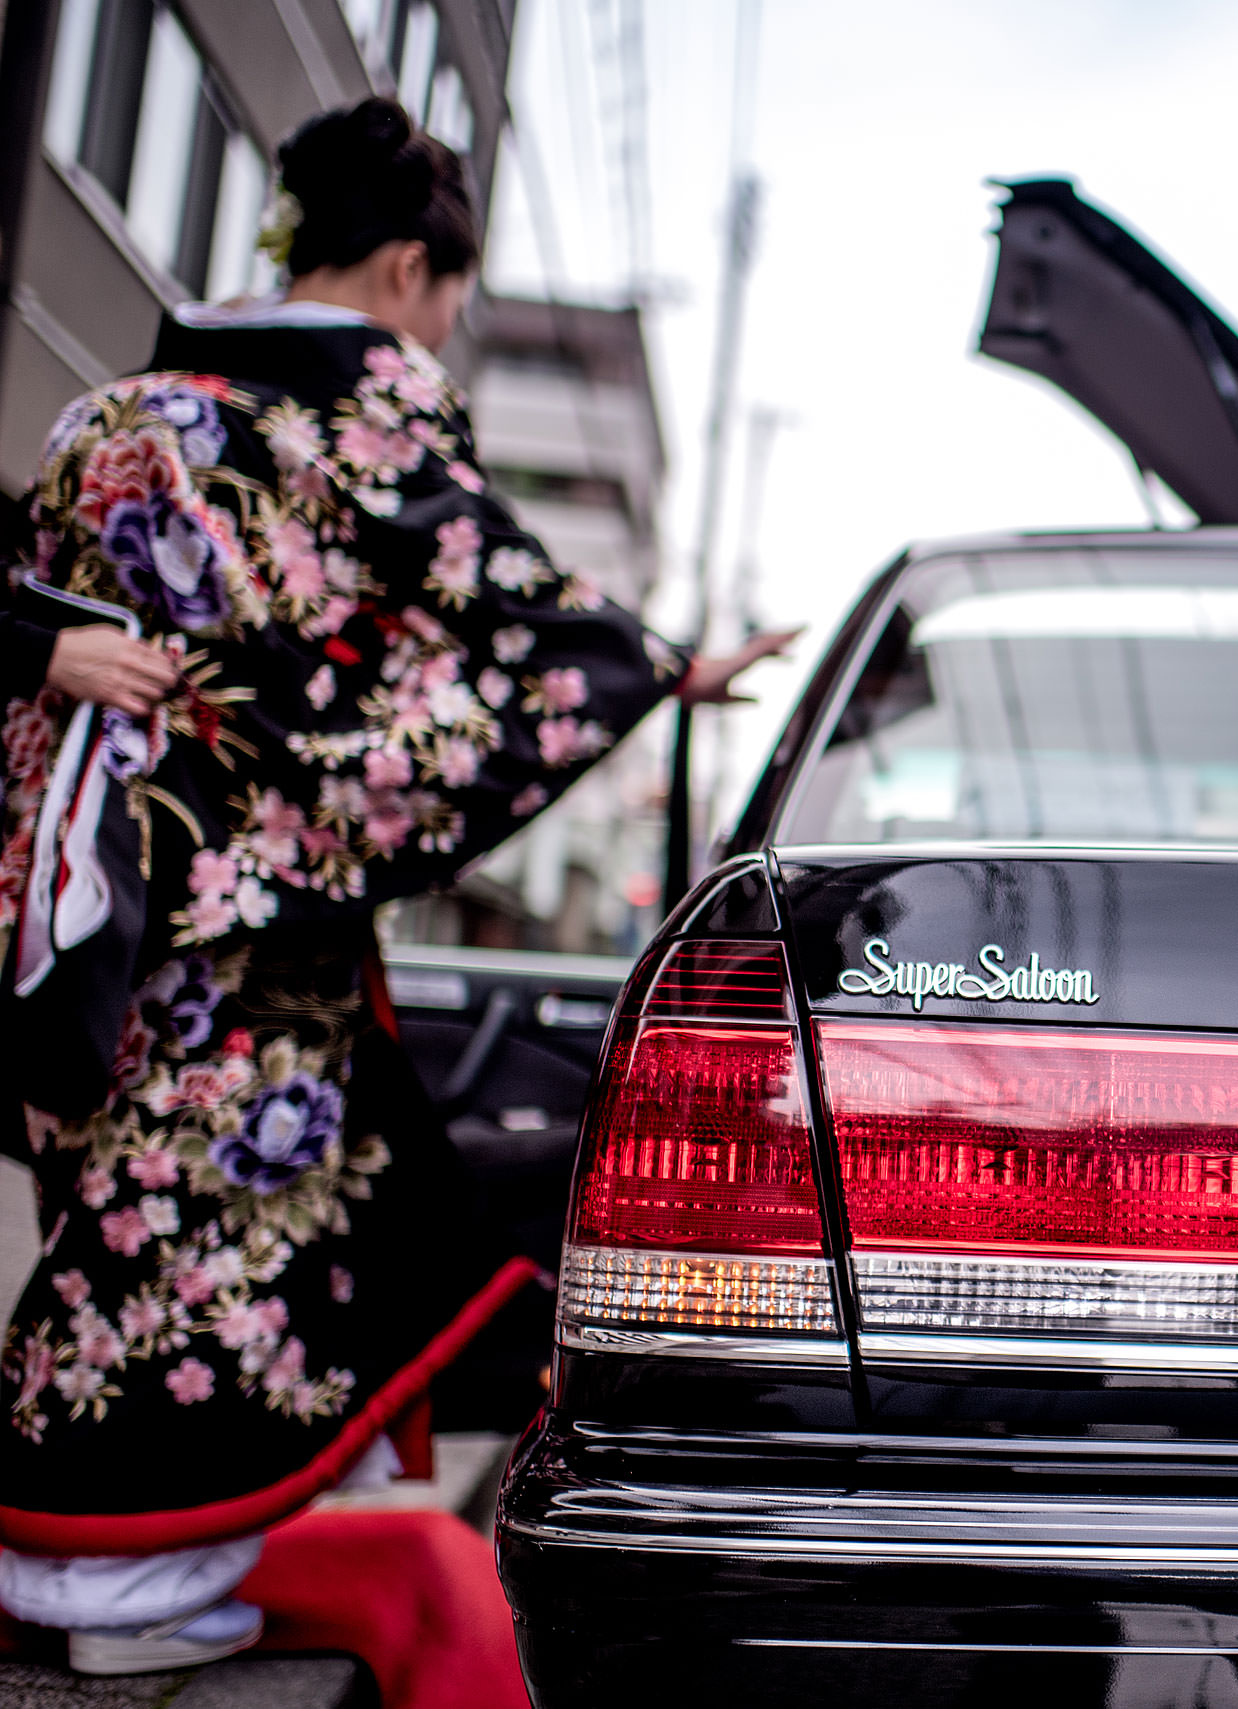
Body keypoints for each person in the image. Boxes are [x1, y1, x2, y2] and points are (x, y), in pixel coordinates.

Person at [0, 98, 790, 1674]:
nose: (439, 328)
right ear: (412, 267)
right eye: (445, 296)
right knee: (229, 1235)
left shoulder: (117, 409)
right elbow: (498, 604)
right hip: (247, 915)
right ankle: (123, 1582)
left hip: (86, 895)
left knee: (110, 1204)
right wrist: (661, 666)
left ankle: (52, 1552)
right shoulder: (362, 401)